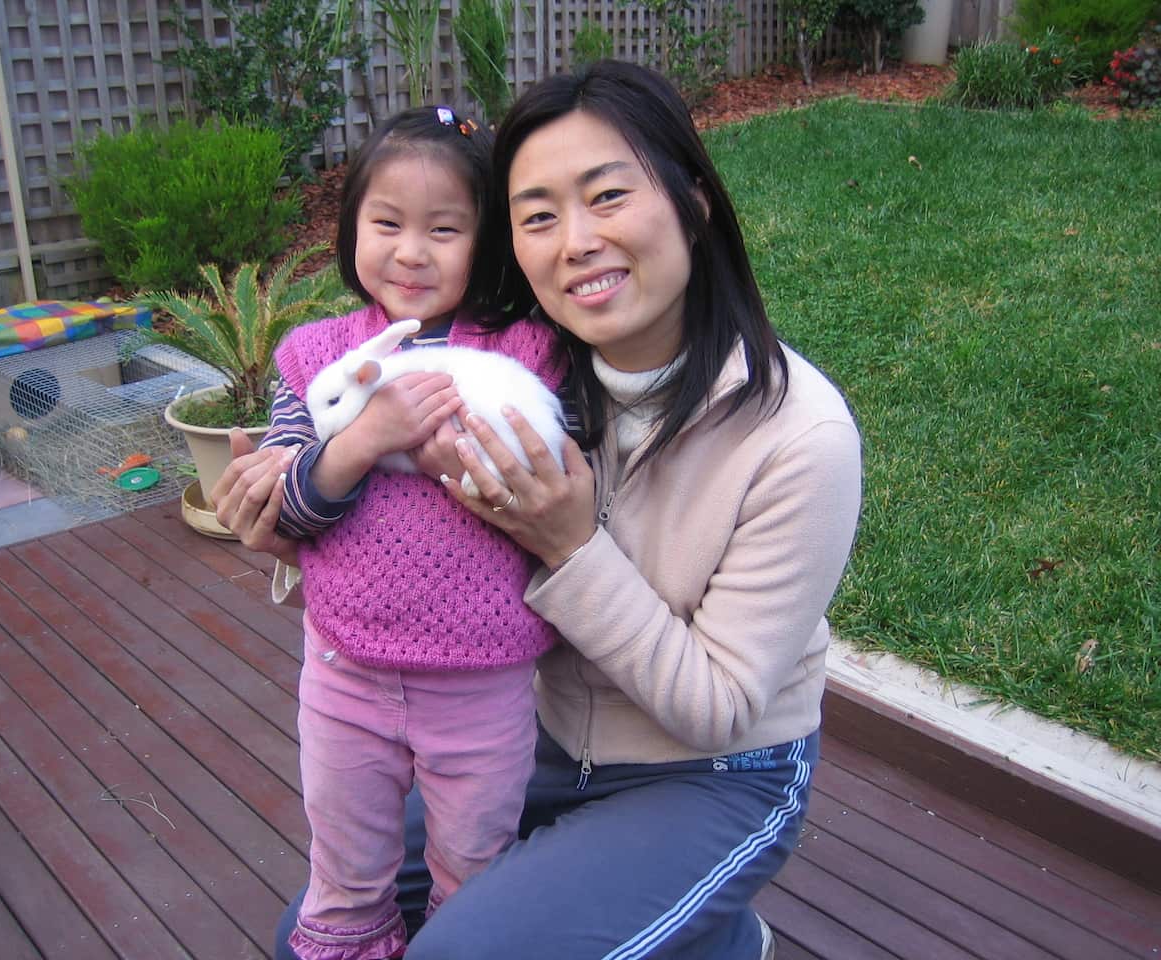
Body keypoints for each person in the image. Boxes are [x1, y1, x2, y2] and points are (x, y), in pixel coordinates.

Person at [226, 60, 861, 960]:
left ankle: (709, 930)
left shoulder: (799, 435)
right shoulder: (523, 367)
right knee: (317, 930)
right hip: (543, 743)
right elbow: (381, 507)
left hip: (714, 773)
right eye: (537, 216)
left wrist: (570, 545)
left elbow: (719, 708)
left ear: (694, 199)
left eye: (607, 196)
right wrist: (285, 512)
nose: (576, 242)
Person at [212, 105, 570, 960]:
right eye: (387, 223)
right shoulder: (312, 356)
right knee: (346, 868)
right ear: (352, 230)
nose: (412, 251)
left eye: (445, 229)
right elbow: (288, 511)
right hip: (346, 675)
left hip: (484, 683)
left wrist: (456, 455)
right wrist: (365, 438)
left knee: (474, 867)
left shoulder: (529, 352)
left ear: (487, 243)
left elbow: (552, 484)